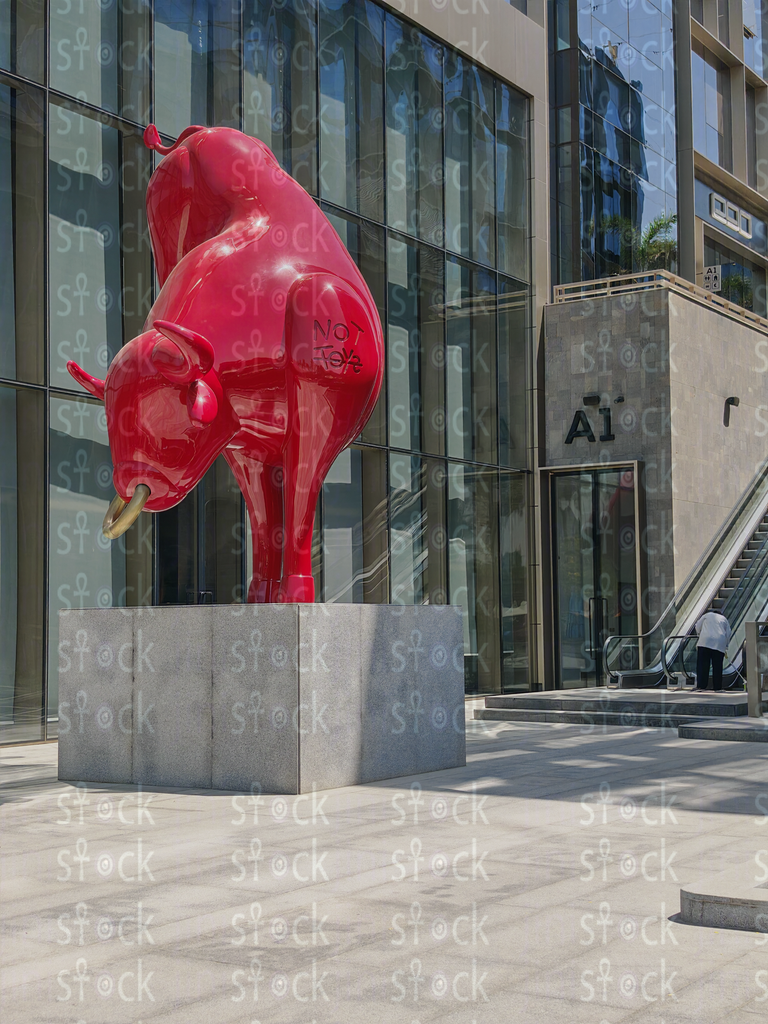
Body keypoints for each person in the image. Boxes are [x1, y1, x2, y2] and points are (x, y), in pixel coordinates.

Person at [694, 610, 731, 691]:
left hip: (705, 641)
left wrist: (699, 634)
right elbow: (728, 633)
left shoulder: (707, 615)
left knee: (703, 665)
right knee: (717, 666)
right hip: (719, 642)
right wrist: (726, 646)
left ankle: (701, 686)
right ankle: (717, 687)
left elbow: (697, 626)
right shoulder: (724, 619)